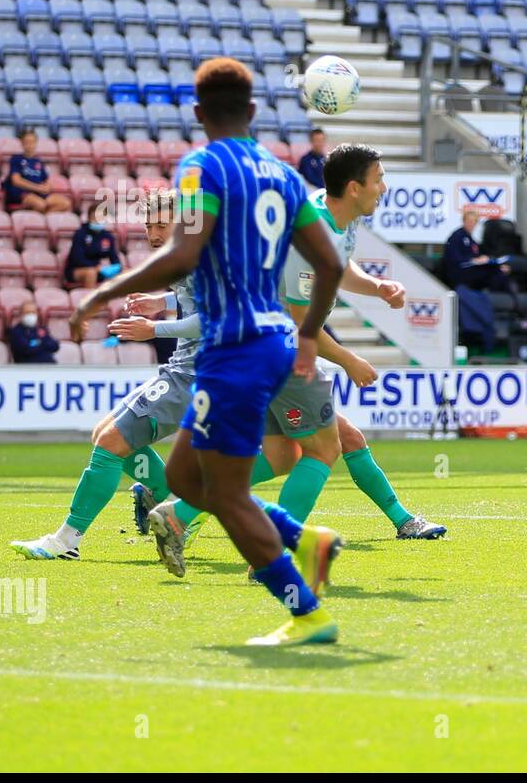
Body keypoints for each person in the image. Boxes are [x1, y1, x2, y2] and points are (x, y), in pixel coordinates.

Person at [67, 57, 348, 648]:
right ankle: (306, 547)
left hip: (232, 349)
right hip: (273, 340)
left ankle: (308, 599)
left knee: (217, 489)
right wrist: (307, 334)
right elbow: (328, 263)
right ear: (252, 112)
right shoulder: (282, 175)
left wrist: (104, 292)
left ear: (199, 115)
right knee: (186, 481)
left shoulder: (202, 167)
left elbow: (181, 254)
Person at [147, 144, 447, 571]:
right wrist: (348, 360)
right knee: (325, 449)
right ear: (353, 186)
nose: (383, 187)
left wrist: (377, 286)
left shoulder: (338, 223)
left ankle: (181, 512)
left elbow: (340, 267)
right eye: (378, 178)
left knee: (287, 454)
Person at [10, 189, 221, 558]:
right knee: (105, 435)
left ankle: (66, 541)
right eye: (148, 225)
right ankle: (177, 507)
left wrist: (154, 329)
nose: (153, 233)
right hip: (187, 370)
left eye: (161, 224)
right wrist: (162, 302)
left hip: (199, 375)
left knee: (110, 443)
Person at [3, 128, 71, 213]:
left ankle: (44, 218)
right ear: (22, 143)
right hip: (22, 194)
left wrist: (47, 187)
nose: (30, 145)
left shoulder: (38, 161)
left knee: (65, 203)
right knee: (40, 205)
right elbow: (16, 180)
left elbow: (46, 180)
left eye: (32, 142)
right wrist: (38, 188)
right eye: (27, 142)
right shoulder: (16, 159)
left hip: (39, 194)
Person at [443, 209, 513, 291]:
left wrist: (495, 265)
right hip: (462, 273)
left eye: (474, 222)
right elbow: (455, 260)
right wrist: (473, 260)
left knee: (502, 270)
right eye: (469, 221)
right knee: (493, 274)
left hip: (473, 269)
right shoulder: (456, 237)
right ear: (464, 221)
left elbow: (477, 256)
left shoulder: (471, 239)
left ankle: (510, 299)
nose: (471, 224)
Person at [63, 211, 122, 288]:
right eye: (95, 218)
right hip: (77, 269)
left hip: (98, 269)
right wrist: (95, 267)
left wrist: (115, 268)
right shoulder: (80, 233)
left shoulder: (107, 236)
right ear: (89, 218)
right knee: (91, 273)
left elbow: (114, 259)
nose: (98, 221)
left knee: (127, 273)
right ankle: (92, 299)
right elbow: (77, 258)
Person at [7, 300, 60, 364]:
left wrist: (37, 343)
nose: (31, 315)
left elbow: (55, 346)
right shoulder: (16, 332)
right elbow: (26, 349)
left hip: (48, 367)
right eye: (27, 312)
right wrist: (42, 342)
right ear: (21, 314)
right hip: (28, 369)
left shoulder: (41, 329)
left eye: (33, 312)